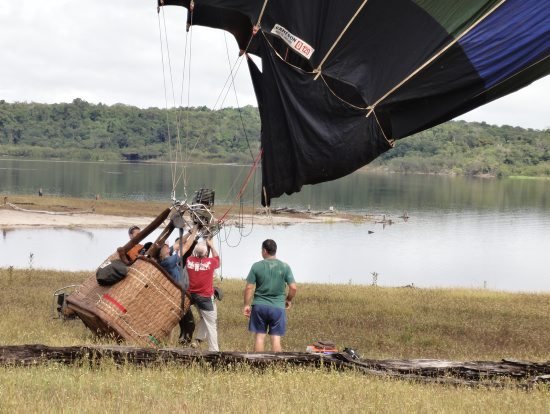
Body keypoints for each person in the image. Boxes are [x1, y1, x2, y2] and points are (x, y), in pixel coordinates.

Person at [243, 239, 297, 352]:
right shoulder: (285, 266)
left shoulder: (256, 266)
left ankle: (258, 365)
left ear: (264, 250)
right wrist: (288, 299)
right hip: (278, 307)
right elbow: (293, 287)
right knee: (276, 338)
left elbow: (249, 287)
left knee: (259, 337)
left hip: (259, 306)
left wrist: (246, 305)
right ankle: (277, 366)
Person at [186, 238, 220, 351]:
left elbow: (193, 254)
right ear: (206, 253)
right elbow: (218, 260)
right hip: (205, 297)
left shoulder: (189, 260)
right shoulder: (210, 263)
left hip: (193, 295)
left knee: (205, 317)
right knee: (211, 323)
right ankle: (214, 349)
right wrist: (212, 246)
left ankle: (198, 340)